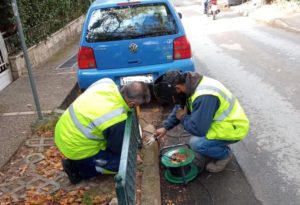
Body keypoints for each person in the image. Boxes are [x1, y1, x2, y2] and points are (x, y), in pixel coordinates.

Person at [55, 78, 151, 184]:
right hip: (74, 145)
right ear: (131, 103)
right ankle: (78, 170)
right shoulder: (116, 117)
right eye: (137, 105)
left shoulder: (106, 82)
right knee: (122, 164)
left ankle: (80, 161)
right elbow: (117, 149)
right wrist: (133, 157)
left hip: (63, 129)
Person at [154, 71, 250, 173]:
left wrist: (183, 117)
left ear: (177, 88)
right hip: (221, 122)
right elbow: (180, 106)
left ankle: (225, 155)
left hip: (234, 127)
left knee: (196, 144)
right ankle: (215, 145)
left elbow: (198, 129)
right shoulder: (190, 83)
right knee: (195, 133)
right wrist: (165, 127)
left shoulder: (204, 96)